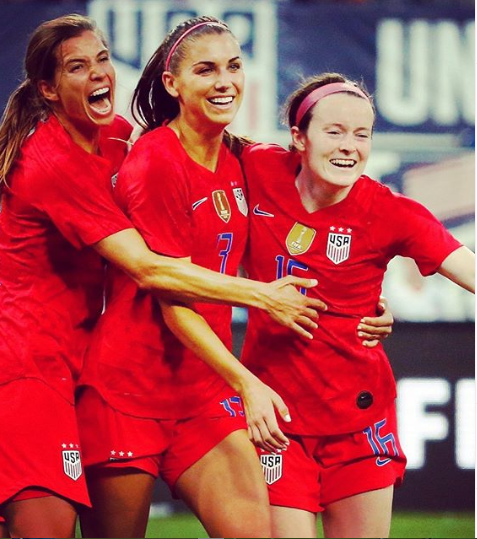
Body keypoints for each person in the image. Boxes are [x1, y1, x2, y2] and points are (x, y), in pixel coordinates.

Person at [0, 14, 329, 539]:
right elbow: (152, 271)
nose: (98, 75)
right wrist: (262, 299)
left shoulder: (118, 139)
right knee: (43, 529)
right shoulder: (60, 159)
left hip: (116, 372)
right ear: (47, 88)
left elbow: (313, 218)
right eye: (77, 67)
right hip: (40, 372)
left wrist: (357, 296)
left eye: (103, 59)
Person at [75, 19, 393, 539]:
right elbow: (169, 292)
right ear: (173, 84)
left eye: (234, 66)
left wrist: (364, 303)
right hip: (128, 391)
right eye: (206, 70)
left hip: (203, 390)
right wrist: (247, 378)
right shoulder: (155, 161)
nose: (226, 81)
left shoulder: (241, 156)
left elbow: (315, 219)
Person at [238, 72, 475, 538]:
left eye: (361, 134)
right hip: (278, 422)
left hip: (359, 421)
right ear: (297, 137)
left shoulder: (392, 212)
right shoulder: (257, 167)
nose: (350, 146)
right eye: (334, 132)